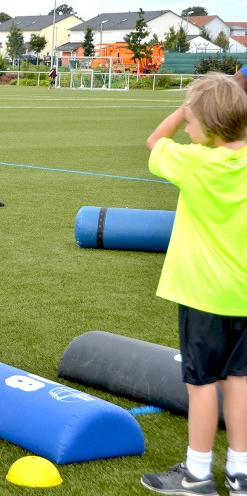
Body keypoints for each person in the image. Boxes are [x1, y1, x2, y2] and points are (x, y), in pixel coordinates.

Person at [140, 73, 247, 495]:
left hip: (203, 295)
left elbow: (154, 141)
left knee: (201, 384)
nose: (187, 127)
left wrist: (184, 109)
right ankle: (240, 473)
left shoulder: (195, 161)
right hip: (243, 294)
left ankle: (197, 473)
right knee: (238, 380)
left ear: (208, 124)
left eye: (192, 120)